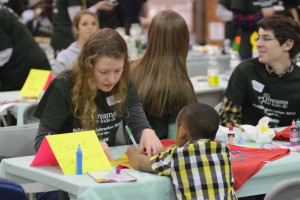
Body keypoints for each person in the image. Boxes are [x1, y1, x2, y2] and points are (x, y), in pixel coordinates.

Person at [127, 103, 235, 200]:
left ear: (182, 131)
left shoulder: (176, 156)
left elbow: (141, 163)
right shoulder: (224, 150)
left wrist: (131, 151)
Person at [219, 15, 300, 128]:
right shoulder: (245, 71)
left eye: (266, 39)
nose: (258, 44)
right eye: (258, 38)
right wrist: (246, 136)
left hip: (288, 144)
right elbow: (227, 119)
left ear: (287, 44)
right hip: (248, 143)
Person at [130, 10, 198, 139]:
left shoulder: (131, 69)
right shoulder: (180, 88)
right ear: (183, 41)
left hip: (131, 149)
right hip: (161, 154)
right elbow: (177, 141)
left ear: (151, 36)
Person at [0, 5, 50, 91]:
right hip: (37, 65)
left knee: (31, 102)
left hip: (23, 71)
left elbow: (5, 52)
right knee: (36, 101)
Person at [52, 10, 99, 76]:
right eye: (85, 24)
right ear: (76, 29)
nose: (90, 27)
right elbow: (56, 83)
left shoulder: (103, 52)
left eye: (93, 24)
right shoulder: (64, 57)